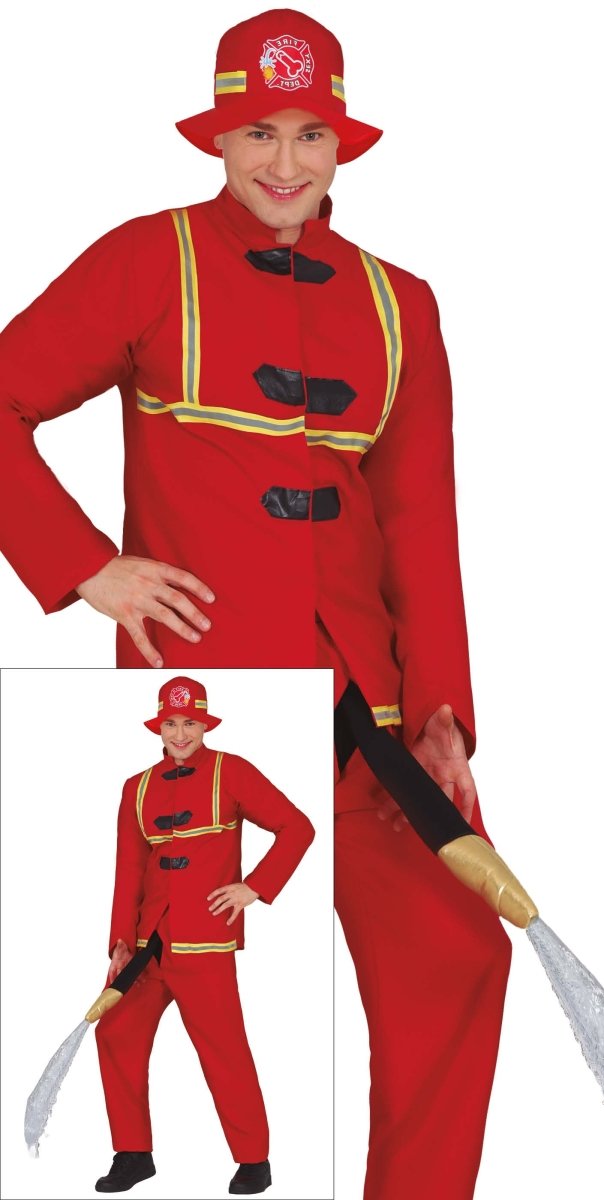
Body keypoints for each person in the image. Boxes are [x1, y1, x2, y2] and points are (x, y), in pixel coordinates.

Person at [1, 9, 512, 1197]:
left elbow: (421, 526)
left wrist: (442, 711)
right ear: (218, 140)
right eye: (258, 134)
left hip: (370, 718)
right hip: (227, 666)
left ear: (342, 145)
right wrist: (86, 567)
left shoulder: (399, 304)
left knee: (459, 958)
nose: (284, 163)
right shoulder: (147, 259)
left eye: (309, 135)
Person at [94, 675, 315, 1195]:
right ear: (158, 726)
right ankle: (133, 1153)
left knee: (223, 1050)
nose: (179, 734)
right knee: (114, 1032)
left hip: (205, 944)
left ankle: (254, 1160)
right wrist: (121, 940)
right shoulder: (135, 788)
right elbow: (129, 869)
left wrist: (255, 887)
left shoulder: (231, 771)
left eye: (189, 722)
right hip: (147, 946)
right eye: (170, 723)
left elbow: (297, 827)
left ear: (205, 724)